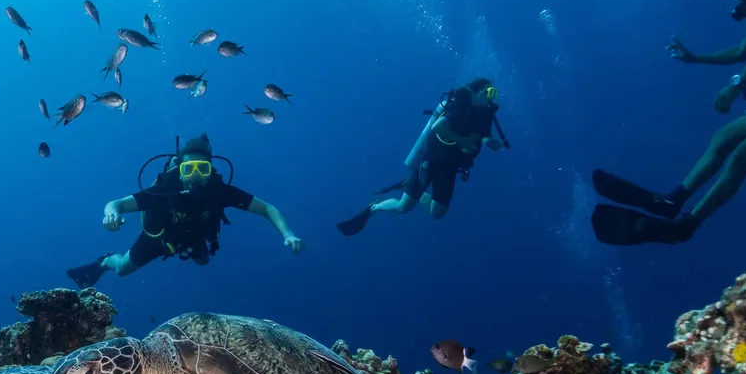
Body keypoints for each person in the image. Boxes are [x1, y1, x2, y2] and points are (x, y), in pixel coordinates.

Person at [592, 0, 746, 245]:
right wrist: (695, 58)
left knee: (743, 156)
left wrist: (738, 84)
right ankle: (672, 201)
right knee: (723, 139)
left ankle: (686, 225)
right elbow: (742, 51)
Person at [66, 133, 305, 288]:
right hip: (158, 238)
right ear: (179, 171)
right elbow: (116, 203)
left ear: (210, 171)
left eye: (202, 169)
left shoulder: (220, 192)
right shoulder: (164, 191)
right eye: (189, 169)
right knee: (121, 270)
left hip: (195, 238)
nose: (195, 176)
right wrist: (111, 215)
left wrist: (288, 234)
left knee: (203, 261)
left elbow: (267, 208)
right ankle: (104, 261)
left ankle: (192, 250)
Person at [337, 78, 506, 236]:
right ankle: (373, 208)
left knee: (437, 213)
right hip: (432, 161)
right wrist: (463, 141)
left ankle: (408, 185)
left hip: (450, 167)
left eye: (494, 93)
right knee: (403, 207)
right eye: (488, 92)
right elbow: (438, 126)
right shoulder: (459, 107)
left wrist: (489, 142)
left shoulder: (486, 113)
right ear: (474, 92)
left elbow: (484, 134)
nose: (491, 97)